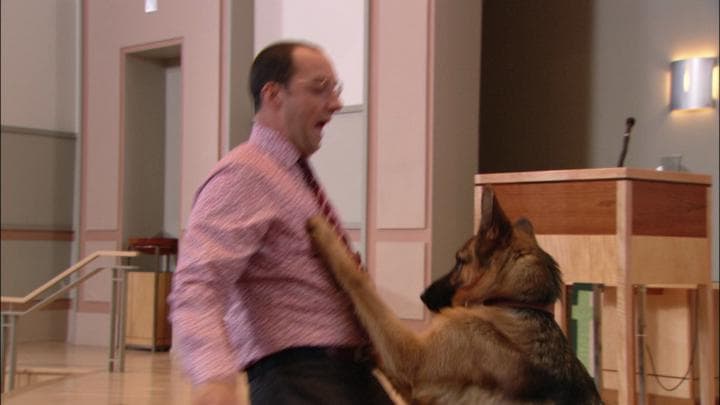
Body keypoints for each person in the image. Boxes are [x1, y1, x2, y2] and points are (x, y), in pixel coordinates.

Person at [169, 41, 395, 405]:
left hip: (343, 374)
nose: (335, 103)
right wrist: (214, 377)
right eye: (319, 88)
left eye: (335, 90)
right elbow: (197, 283)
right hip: (299, 380)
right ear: (274, 95)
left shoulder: (290, 176)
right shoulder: (243, 174)